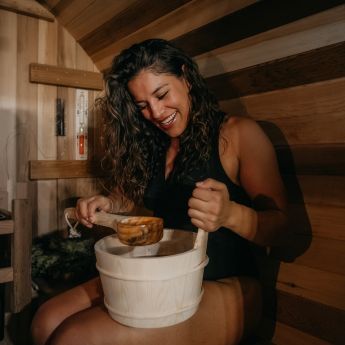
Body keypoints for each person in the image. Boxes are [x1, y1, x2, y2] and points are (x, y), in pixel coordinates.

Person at [31, 38, 287, 345]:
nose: (155, 112)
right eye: (142, 105)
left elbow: (282, 230)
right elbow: (125, 197)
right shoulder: (154, 144)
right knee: (45, 321)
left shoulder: (237, 134)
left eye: (162, 94)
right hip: (161, 273)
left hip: (227, 282)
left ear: (186, 77)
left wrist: (231, 214)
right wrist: (106, 202)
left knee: (73, 338)